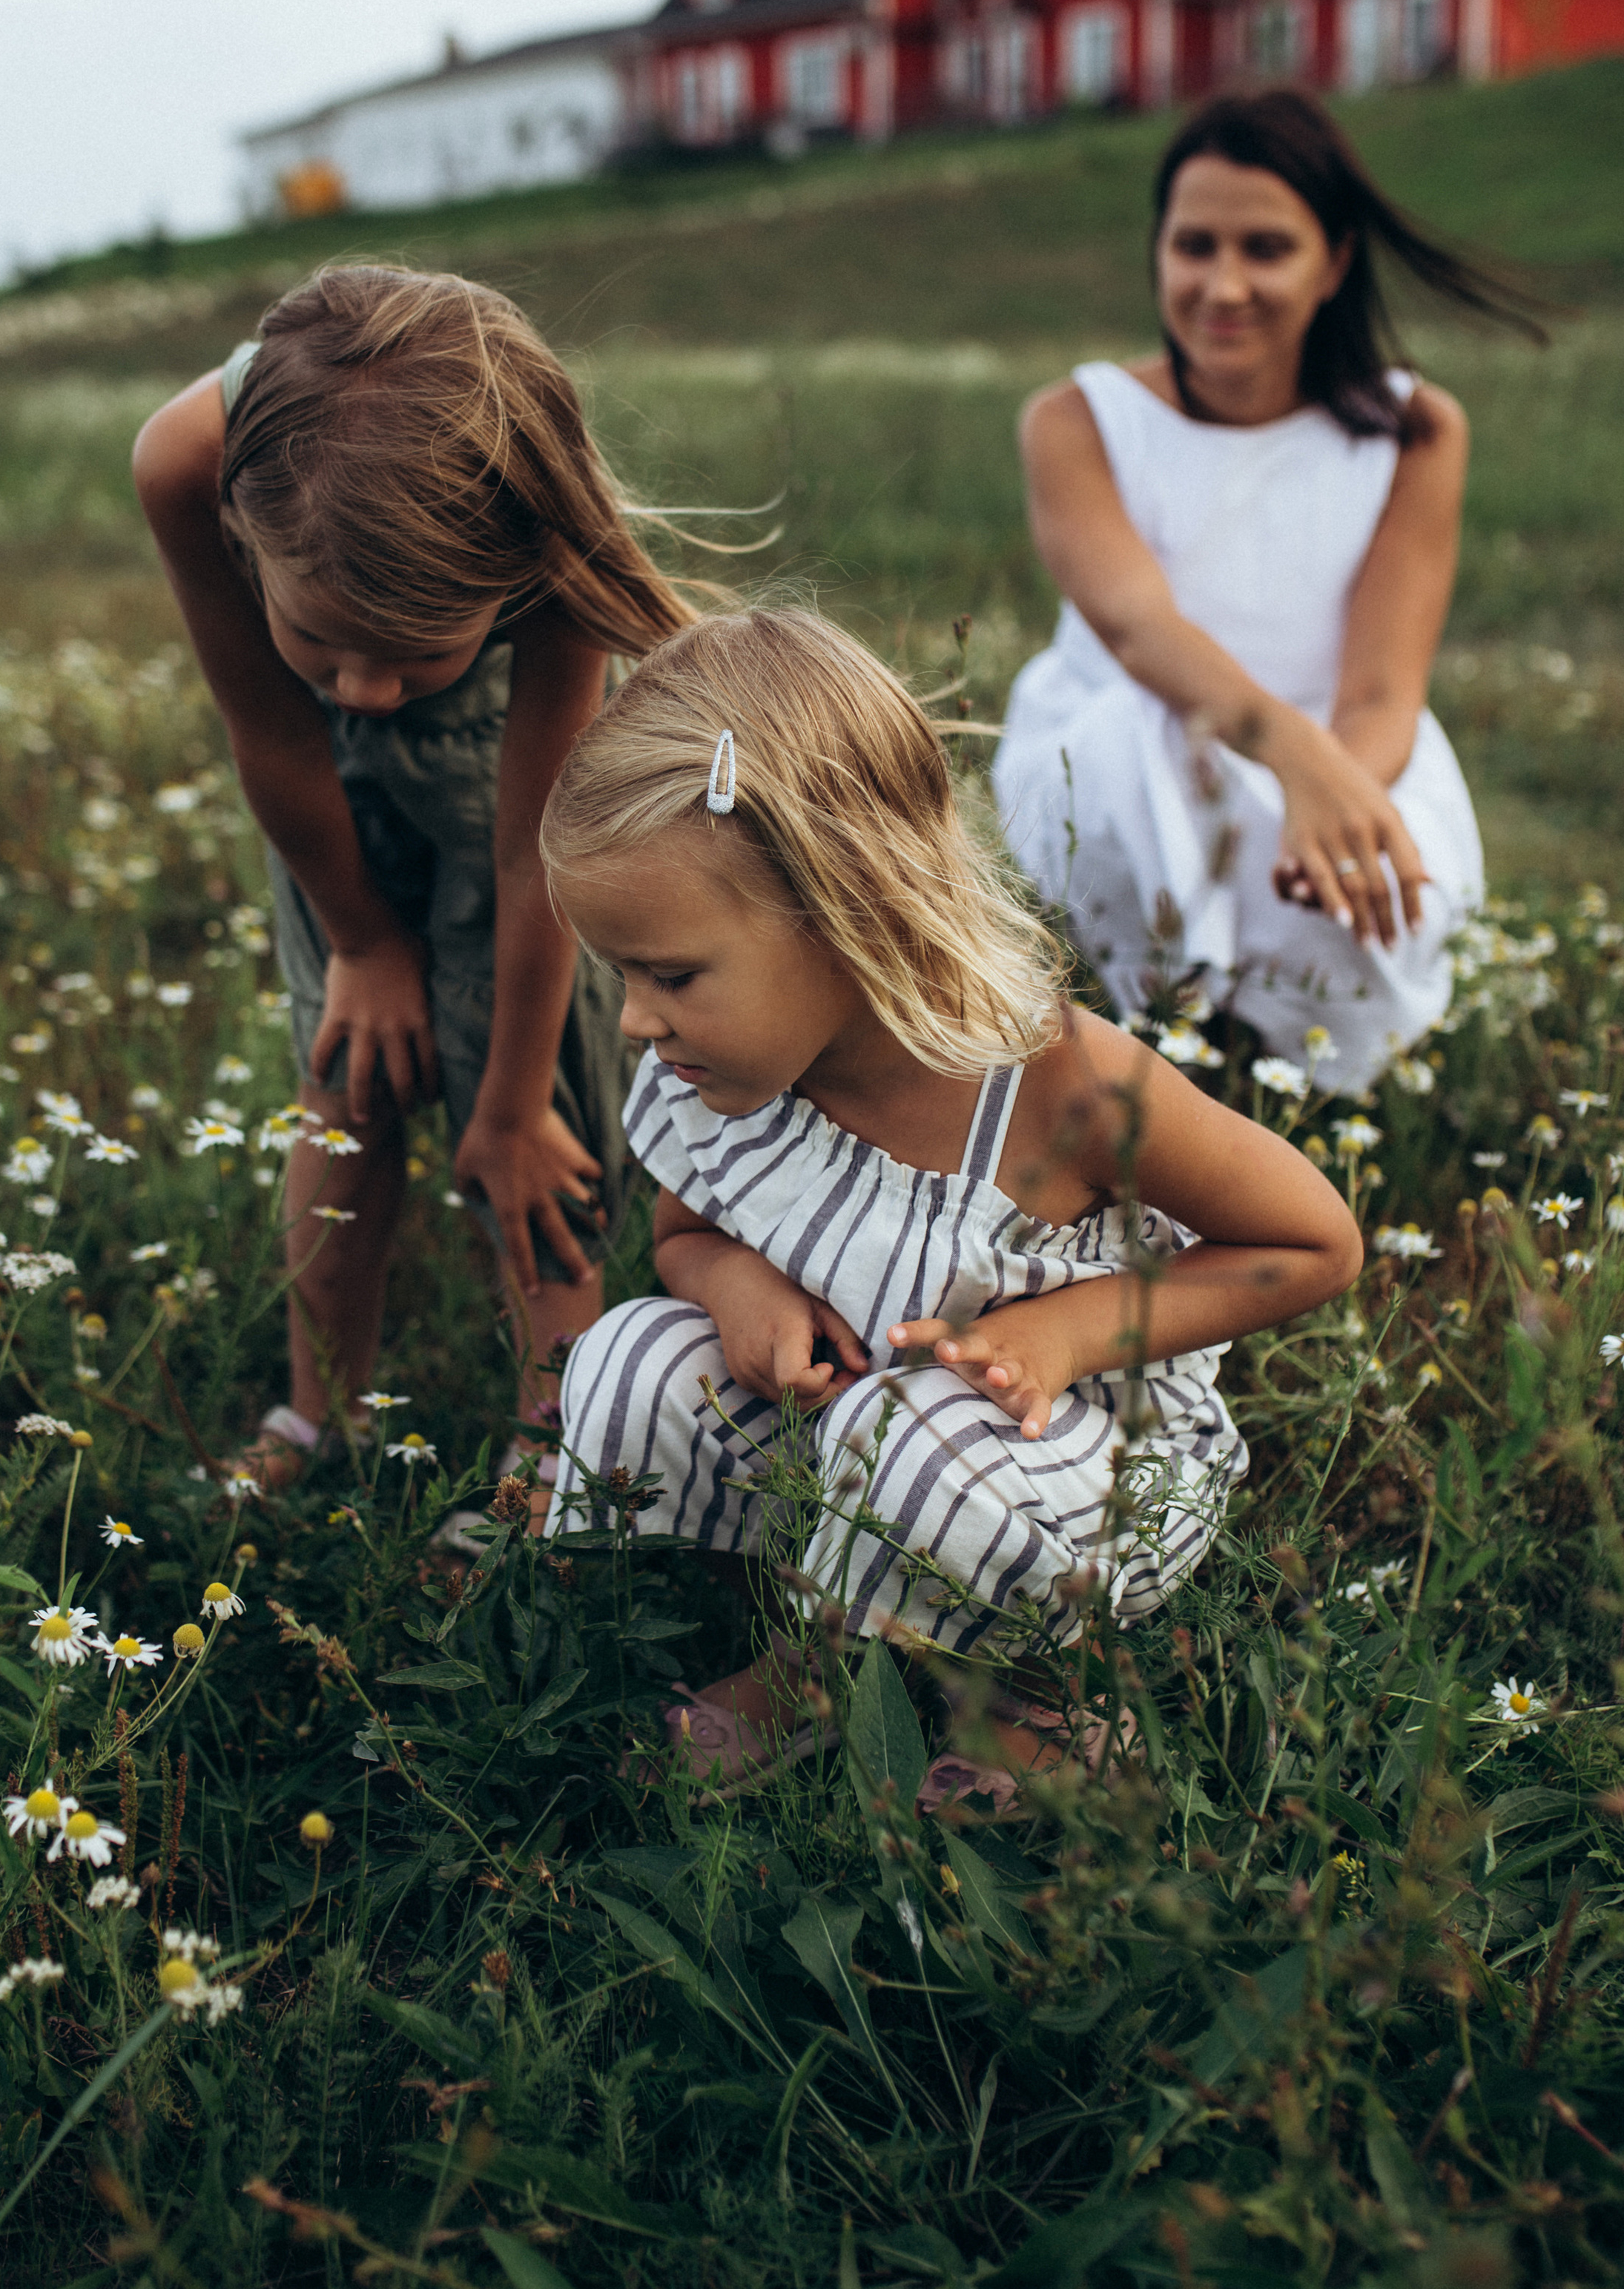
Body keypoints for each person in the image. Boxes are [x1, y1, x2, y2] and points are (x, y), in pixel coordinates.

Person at [538, 610, 1361, 1798]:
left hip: (1073, 1461)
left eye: (670, 975)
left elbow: (1313, 1241)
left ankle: (1044, 1700)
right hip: (856, 1430)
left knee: (910, 1441)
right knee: (627, 1356)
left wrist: (1066, 1332)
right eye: (620, 974)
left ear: (847, 913)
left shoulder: (1058, 1085)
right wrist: (737, 1286)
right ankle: (807, 1629)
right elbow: (682, 1232)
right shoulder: (724, 1072)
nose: (633, 1021)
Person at [132, 265, 693, 1486]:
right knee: (347, 1073)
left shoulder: (545, 501)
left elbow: (536, 851)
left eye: (411, 652)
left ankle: (558, 1449)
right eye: (323, 639)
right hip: (320, 807)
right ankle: (316, 1416)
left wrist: (507, 1106)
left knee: (540, 1133)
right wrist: (364, 943)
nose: (368, 688)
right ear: (243, 523)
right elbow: (273, 731)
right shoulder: (186, 460)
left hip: (507, 780)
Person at [993, 90, 1544, 1096]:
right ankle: (1153, 1047)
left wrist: (1336, 789)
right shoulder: (1078, 419)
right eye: (1194, 246)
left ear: (1334, 262)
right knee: (1141, 764)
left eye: (1266, 249)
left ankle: (1282, 1079)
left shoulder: (1414, 433)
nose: (1224, 284)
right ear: (1158, 251)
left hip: (1346, 739)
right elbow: (1137, 624)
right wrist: (1292, 760)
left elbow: (1384, 688)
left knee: (1370, 872)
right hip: (1143, 727)